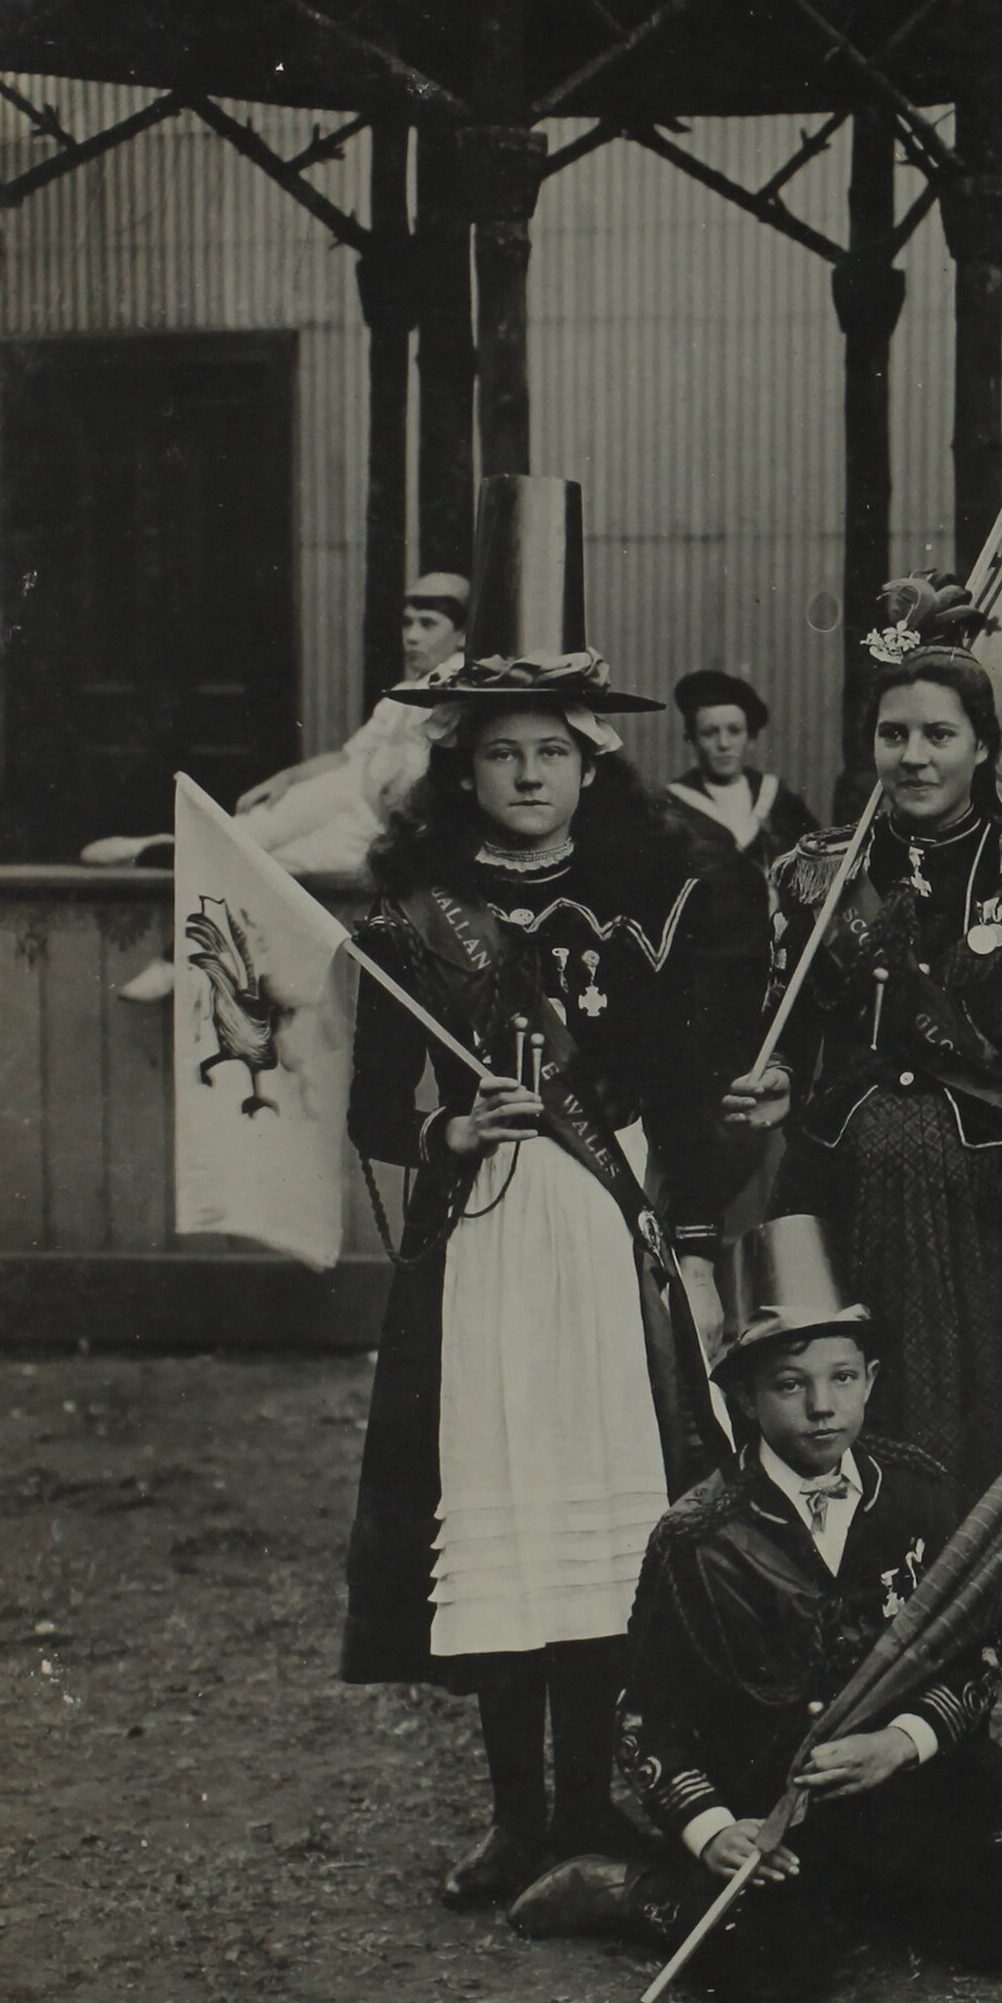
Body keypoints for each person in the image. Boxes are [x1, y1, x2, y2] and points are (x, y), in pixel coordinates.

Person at [338, 643, 770, 1908]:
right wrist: (450, 1130)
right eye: (501, 754)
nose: (528, 775)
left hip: (605, 1226)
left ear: (590, 768)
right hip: (486, 1238)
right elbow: (371, 1110)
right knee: (503, 1502)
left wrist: (714, 1174)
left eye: (550, 753)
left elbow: (688, 1096)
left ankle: (589, 1802)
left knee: (602, 1512)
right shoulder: (413, 915)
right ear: (462, 773)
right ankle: (515, 1819)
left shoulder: (651, 902)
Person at [505, 1217, 1002, 2003]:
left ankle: (868, 1893)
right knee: (768, 1979)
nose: (822, 1407)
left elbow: (974, 1657)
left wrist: (900, 1745)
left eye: (843, 1378)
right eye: (791, 1385)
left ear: (871, 1379)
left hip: (904, 1781)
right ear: (746, 1396)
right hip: (771, 1807)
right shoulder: (697, 1536)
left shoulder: (919, 1494)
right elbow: (643, 1717)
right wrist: (713, 1830)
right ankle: (634, 1891)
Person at [726, 581, 1002, 1533]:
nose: (915, 756)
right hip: (842, 1190)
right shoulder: (821, 875)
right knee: (834, 1410)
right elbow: (789, 1032)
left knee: (984, 1426)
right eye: (894, 734)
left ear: (983, 746)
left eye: (939, 734)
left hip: (984, 1205)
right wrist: (775, 1082)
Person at [86, 570, 473, 878]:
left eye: (427, 624)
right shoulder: (401, 693)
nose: (411, 637)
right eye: (407, 624)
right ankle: (162, 848)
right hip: (348, 789)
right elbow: (348, 757)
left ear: (461, 636)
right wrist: (286, 779)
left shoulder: (458, 686)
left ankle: (174, 870)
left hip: (382, 823)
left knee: (271, 871)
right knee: (244, 834)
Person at [667, 668, 819, 870]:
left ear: (751, 738)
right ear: (692, 739)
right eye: (709, 733)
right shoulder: (673, 805)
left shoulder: (777, 799)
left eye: (735, 731)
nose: (723, 743)